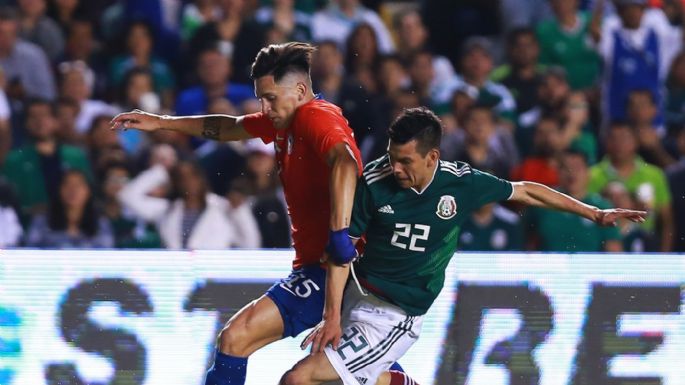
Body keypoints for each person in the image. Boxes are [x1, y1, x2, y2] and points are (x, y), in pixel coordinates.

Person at [281, 107, 646, 385]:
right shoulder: (376, 180)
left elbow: (526, 190)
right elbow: (341, 252)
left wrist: (593, 213)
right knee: (358, 377)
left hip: (396, 314)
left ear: (432, 158)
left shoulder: (460, 183)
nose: (396, 168)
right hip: (356, 296)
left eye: (405, 161)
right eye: (392, 158)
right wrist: (332, 316)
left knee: (298, 379)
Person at [111, 42, 390, 385]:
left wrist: (338, 234)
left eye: (270, 97)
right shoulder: (286, 120)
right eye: (261, 97)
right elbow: (229, 127)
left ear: (301, 90)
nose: (264, 107)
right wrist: (162, 122)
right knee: (362, 373)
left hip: (334, 268)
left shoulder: (314, 116)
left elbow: (345, 162)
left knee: (236, 337)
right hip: (334, 267)